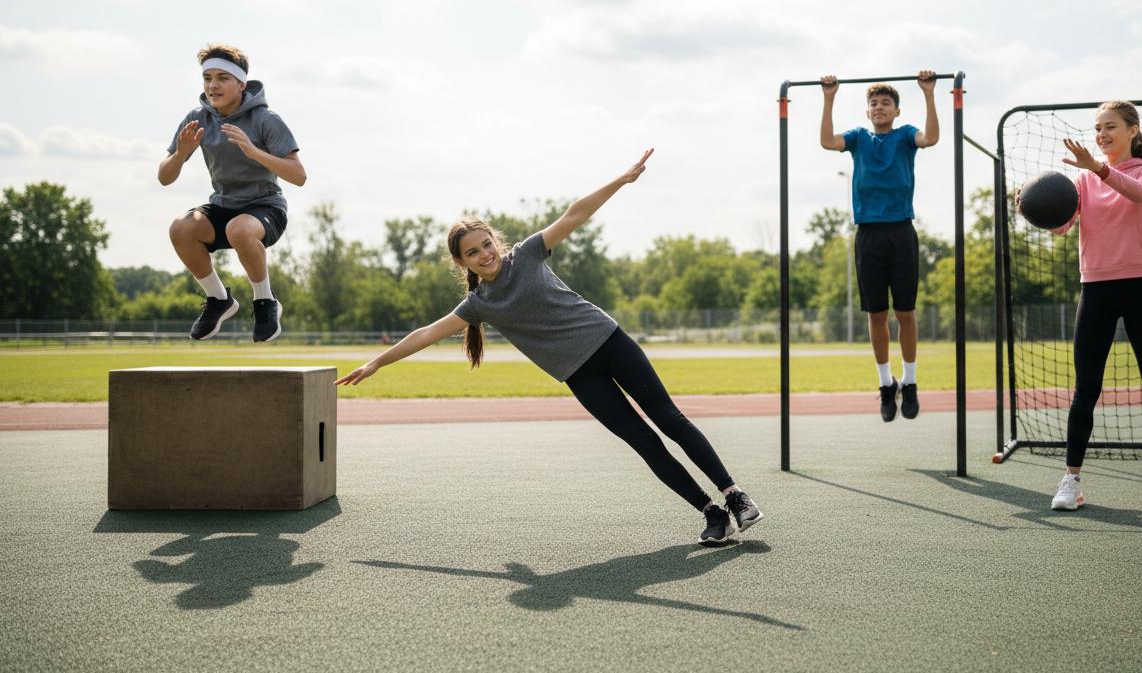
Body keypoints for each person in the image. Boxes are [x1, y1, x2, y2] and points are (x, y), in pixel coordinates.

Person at [335, 149, 764, 545]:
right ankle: (710, 511)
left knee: (668, 419)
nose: (485, 253)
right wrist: (377, 362)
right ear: (462, 262)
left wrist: (621, 180)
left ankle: (735, 496)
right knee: (643, 442)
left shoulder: (528, 254)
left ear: (495, 242)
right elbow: (424, 334)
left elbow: (574, 213)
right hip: (579, 374)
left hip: (609, 342)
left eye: (487, 244)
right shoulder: (479, 304)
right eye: (473, 252)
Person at [1022, 100, 1142, 516]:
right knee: (1086, 391)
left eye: (1110, 127)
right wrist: (1030, 208)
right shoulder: (1084, 178)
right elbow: (1065, 223)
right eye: (1097, 128)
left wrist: (1099, 169)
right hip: (1096, 290)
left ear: (1132, 131)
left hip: (1141, 288)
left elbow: (1138, 193)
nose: (1101, 135)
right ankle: (1072, 481)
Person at [159, 43, 306, 342]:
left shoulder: (266, 119)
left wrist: (254, 152)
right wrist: (179, 155)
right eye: (208, 78)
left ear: (241, 83)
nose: (213, 85)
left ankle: (265, 302)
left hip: (265, 208)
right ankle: (219, 299)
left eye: (222, 78)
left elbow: (299, 176)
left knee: (239, 228)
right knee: (181, 228)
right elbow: (164, 177)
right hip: (223, 206)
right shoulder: (197, 118)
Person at [819, 71, 939, 422]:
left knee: (905, 312)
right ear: (868, 111)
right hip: (868, 234)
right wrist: (830, 98)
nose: (879, 107)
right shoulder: (858, 138)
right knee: (876, 315)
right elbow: (827, 141)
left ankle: (911, 382)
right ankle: (887, 385)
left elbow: (930, 137)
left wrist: (929, 94)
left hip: (901, 231)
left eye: (886, 103)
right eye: (874, 103)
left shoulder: (903, 136)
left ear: (896, 111)